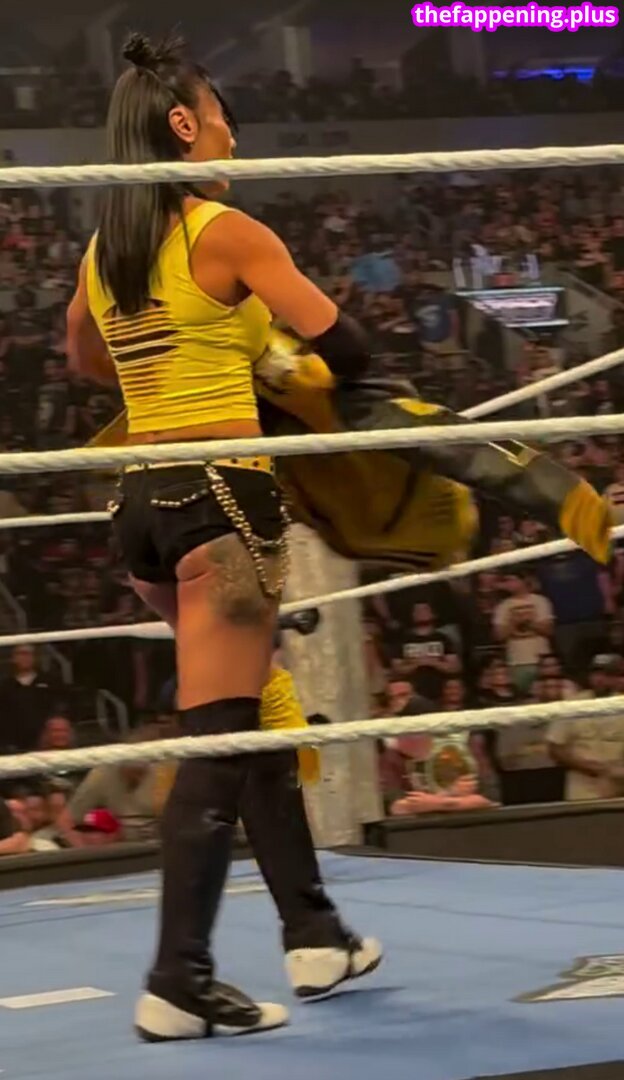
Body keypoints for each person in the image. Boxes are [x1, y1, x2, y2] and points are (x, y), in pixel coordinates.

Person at [66, 32, 380, 1043]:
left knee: (247, 714)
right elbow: (346, 343)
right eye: (222, 118)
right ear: (183, 125)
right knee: (218, 743)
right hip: (220, 512)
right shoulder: (227, 232)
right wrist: (272, 359)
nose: (235, 138)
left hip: (143, 512)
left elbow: (86, 355)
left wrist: (172, 362)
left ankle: (313, 932)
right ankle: (179, 979)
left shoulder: (104, 252)